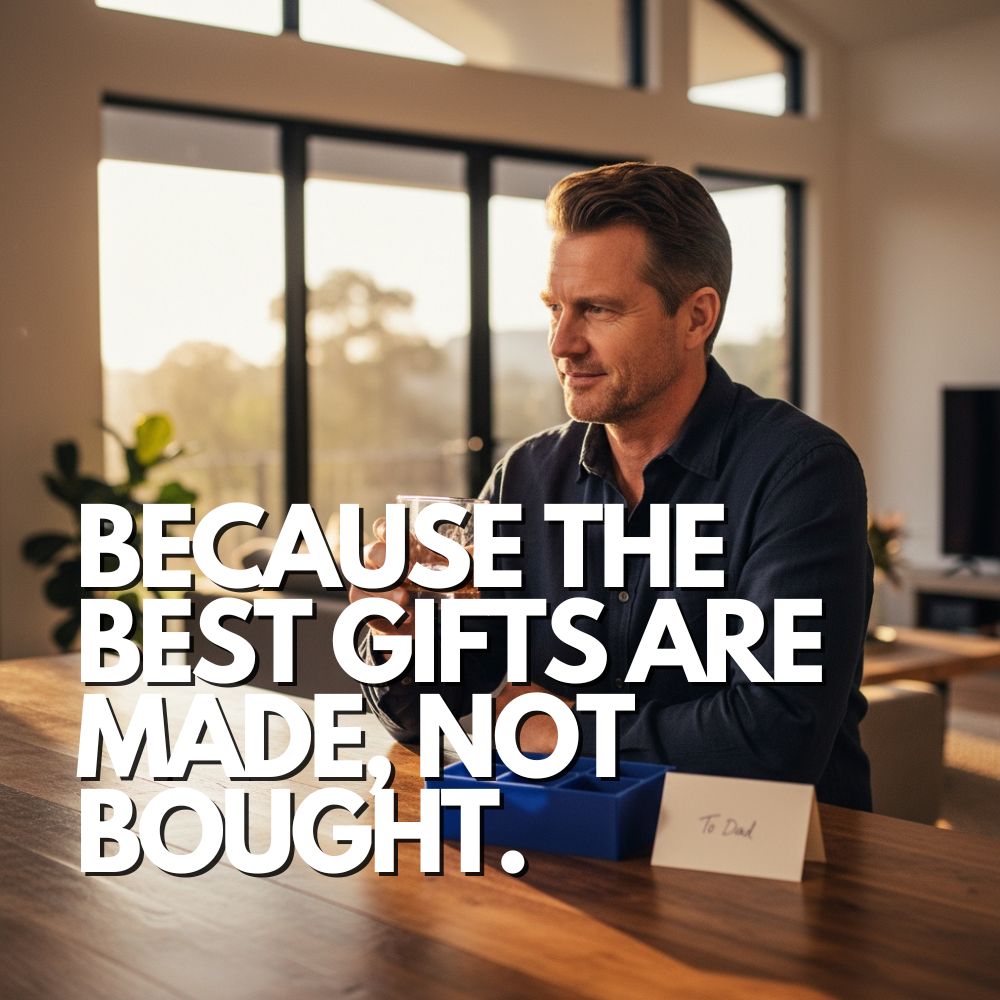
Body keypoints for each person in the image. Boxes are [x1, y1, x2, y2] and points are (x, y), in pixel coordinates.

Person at [351, 162, 873, 811]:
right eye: (554, 309)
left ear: (696, 317)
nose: (562, 343)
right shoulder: (526, 478)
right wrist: (400, 631)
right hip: (576, 854)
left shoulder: (801, 473)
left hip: (768, 863)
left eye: (596, 309)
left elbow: (775, 738)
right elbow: (435, 720)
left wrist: (566, 732)